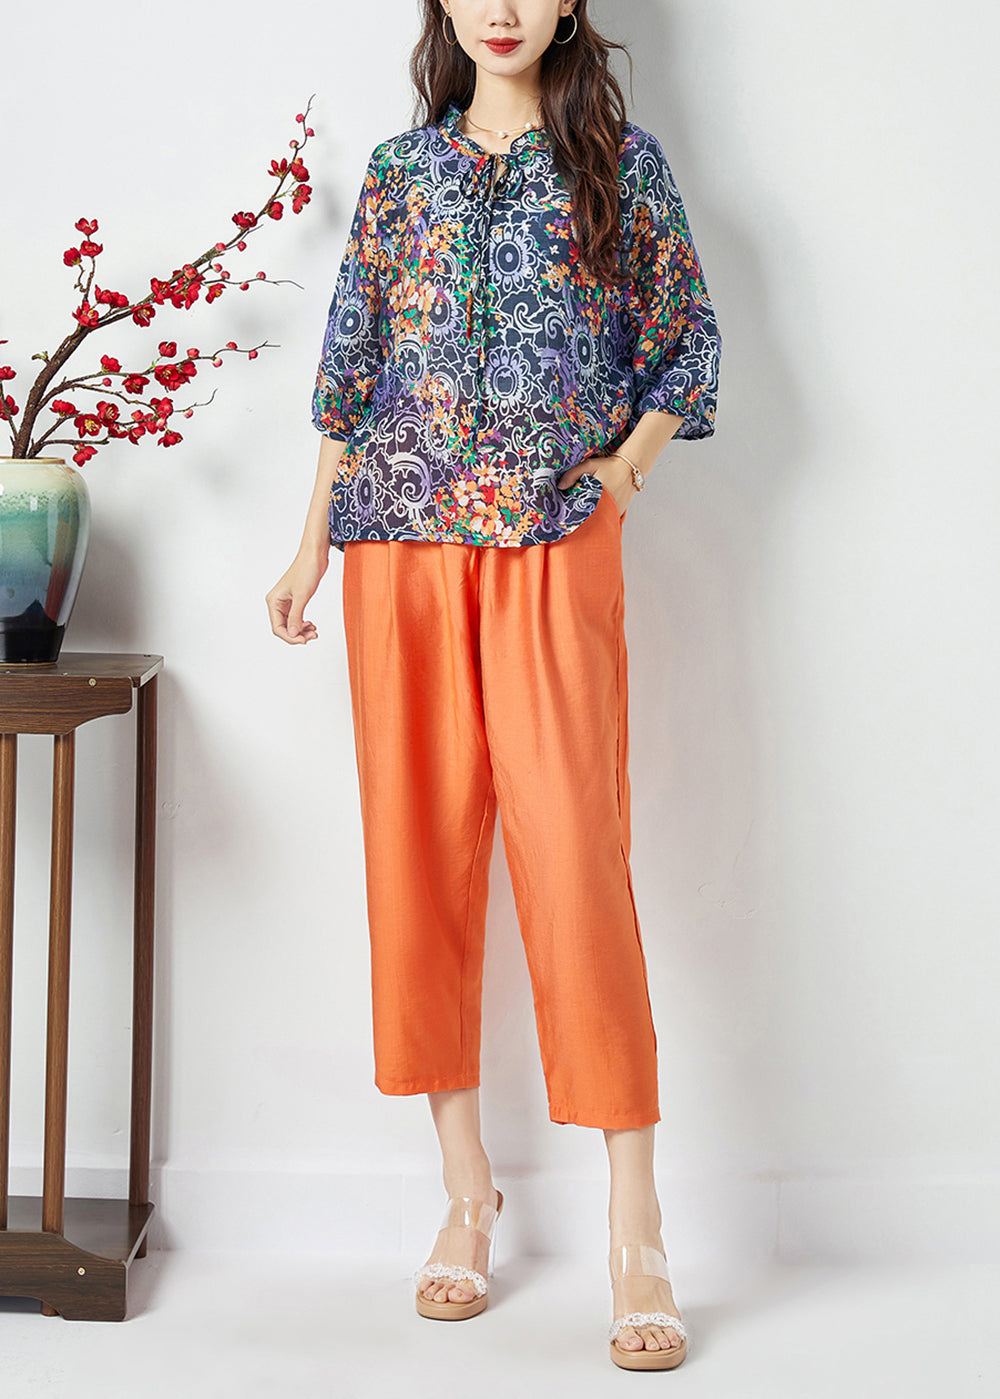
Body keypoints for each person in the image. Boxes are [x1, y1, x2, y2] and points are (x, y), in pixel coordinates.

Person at [266, 0, 720, 1372]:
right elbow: (351, 371)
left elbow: (686, 340)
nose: (504, 7)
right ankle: (466, 1192)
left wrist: (620, 477)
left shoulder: (620, 164)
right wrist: (309, 546)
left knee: (577, 856)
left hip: (550, 537)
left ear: (570, 2)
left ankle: (636, 1224)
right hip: (395, 544)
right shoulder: (401, 172)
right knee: (419, 857)